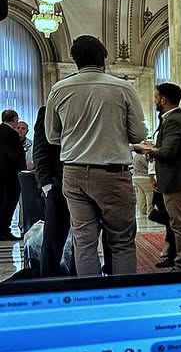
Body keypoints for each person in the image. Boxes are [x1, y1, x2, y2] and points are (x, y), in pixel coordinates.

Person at [45, 36, 148, 275]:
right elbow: (138, 135)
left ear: (75, 59)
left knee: (84, 241)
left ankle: (91, 301)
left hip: (73, 173)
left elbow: (52, 136)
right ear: (103, 57)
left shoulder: (59, 89)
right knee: (121, 242)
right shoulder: (122, 87)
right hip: (112, 174)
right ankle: (123, 301)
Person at [133, 83, 181, 271]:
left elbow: (168, 153)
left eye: (156, 97)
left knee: (180, 225)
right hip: (177, 179)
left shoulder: (174, 120)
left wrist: (146, 149)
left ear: (163, 99)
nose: (154, 100)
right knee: (178, 223)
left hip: (176, 180)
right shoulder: (180, 118)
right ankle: (179, 261)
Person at [32, 105, 70, 276]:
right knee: (53, 237)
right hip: (57, 184)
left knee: (82, 240)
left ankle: (77, 278)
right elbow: (39, 150)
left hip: (84, 182)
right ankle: (48, 279)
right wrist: (46, 185)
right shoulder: (47, 112)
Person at [0, 109, 23, 240]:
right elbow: (13, 156)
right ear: (14, 120)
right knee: (9, 203)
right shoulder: (13, 135)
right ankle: (4, 231)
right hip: (10, 176)